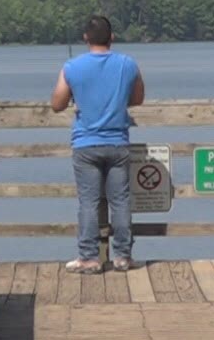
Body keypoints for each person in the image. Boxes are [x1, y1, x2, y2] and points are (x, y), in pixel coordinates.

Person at [50, 15, 145, 273]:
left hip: (86, 144)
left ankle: (89, 257)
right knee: (121, 201)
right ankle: (123, 256)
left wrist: (76, 97)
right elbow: (138, 98)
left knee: (89, 202)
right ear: (112, 37)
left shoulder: (72, 67)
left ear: (85, 38)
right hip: (118, 142)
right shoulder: (127, 64)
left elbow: (57, 104)